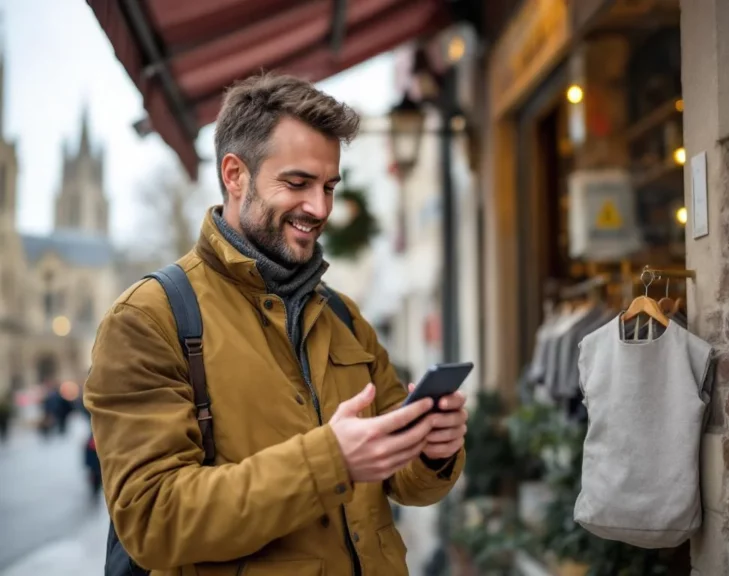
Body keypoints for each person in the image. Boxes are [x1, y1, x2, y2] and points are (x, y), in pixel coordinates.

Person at [84, 72, 467, 576]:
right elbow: (152, 520)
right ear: (235, 175)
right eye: (297, 183)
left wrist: (432, 451)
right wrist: (331, 460)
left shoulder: (344, 315)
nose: (320, 207)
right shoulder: (147, 318)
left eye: (329, 186)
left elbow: (407, 483)